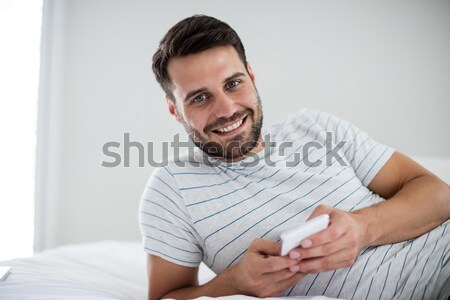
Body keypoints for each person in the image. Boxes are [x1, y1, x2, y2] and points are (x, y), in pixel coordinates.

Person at [139, 15, 450, 300]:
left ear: (251, 76)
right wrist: (233, 284)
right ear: (173, 109)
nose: (226, 110)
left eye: (233, 84)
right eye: (200, 98)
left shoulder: (315, 126)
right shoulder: (173, 190)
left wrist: (363, 228)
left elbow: (439, 195)